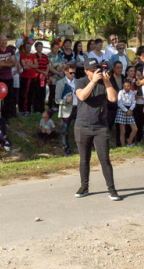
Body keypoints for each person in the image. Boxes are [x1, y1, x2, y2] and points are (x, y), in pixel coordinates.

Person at [73, 58, 120, 200]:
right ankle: (84, 186)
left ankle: (111, 189)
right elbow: (82, 96)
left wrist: (106, 81)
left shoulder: (106, 81)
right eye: (92, 70)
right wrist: (93, 81)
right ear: (86, 71)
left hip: (100, 126)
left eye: (97, 69)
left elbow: (113, 99)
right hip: (82, 126)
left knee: (104, 159)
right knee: (84, 159)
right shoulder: (80, 82)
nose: (96, 72)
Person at [0, 36, 17, 119]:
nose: (4, 42)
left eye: (5, 40)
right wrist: (8, 63)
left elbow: (14, 63)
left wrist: (2, 63)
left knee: (8, 98)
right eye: (2, 40)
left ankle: (6, 116)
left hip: (9, 78)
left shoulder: (10, 50)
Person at [54, 65, 76, 156]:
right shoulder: (60, 83)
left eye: (74, 73)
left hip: (77, 108)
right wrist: (65, 101)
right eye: (71, 73)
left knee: (81, 129)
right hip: (66, 109)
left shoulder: (77, 82)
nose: (73, 75)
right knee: (65, 130)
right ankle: (66, 149)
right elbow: (57, 99)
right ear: (65, 72)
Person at [115, 79, 138, 147]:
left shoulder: (132, 92)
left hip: (130, 109)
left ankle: (129, 141)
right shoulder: (121, 92)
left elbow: (133, 102)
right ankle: (123, 145)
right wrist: (126, 110)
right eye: (125, 86)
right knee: (122, 130)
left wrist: (130, 109)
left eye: (128, 86)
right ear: (123, 86)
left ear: (130, 86)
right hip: (122, 110)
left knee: (135, 129)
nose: (126, 87)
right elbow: (119, 103)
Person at [18, 41, 39, 115]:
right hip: (25, 77)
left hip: (33, 77)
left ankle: (29, 109)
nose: (28, 48)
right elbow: (24, 67)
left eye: (29, 47)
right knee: (24, 94)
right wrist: (32, 65)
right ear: (24, 48)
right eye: (27, 47)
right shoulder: (22, 56)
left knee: (31, 93)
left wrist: (30, 65)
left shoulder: (33, 55)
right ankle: (24, 109)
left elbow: (36, 65)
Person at [34, 41, 51, 114]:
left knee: (42, 92)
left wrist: (45, 73)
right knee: (36, 93)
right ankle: (36, 108)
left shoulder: (45, 56)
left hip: (44, 77)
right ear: (36, 48)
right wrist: (42, 72)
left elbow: (48, 65)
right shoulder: (34, 56)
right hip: (36, 76)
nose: (40, 48)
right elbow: (35, 67)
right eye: (39, 46)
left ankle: (42, 108)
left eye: (41, 46)